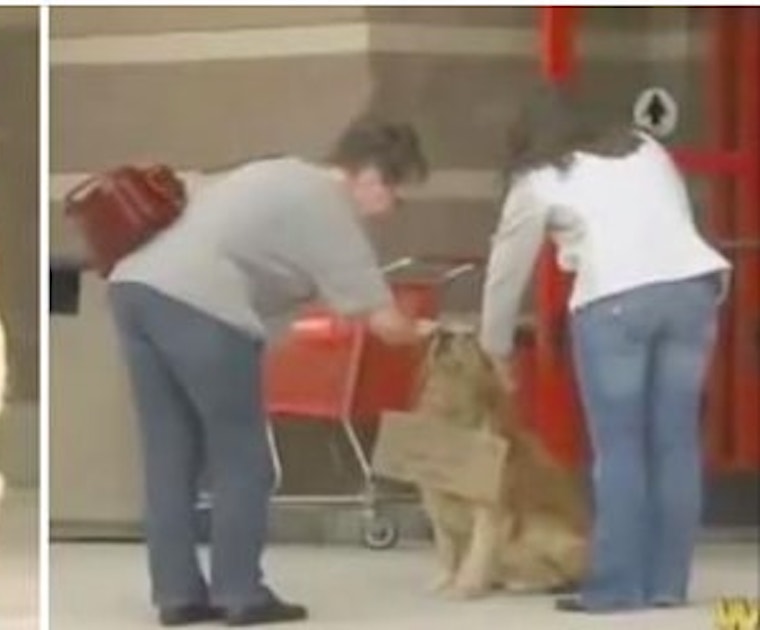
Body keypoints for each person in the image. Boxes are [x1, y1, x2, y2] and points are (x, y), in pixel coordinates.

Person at [106, 117, 435, 626]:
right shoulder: (331, 208)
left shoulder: (276, 172)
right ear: (371, 176)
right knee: (243, 458)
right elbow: (384, 321)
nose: (392, 209)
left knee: (169, 453)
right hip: (204, 305)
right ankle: (240, 592)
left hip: (134, 290)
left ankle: (177, 596)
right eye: (397, 194)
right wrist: (431, 331)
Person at [478, 84, 731, 613]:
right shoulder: (646, 148)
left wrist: (495, 347)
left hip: (614, 300)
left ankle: (617, 587)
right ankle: (666, 584)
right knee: (676, 443)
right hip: (694, 293)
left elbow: (507, 271)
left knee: (620, 448)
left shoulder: (539, 179)